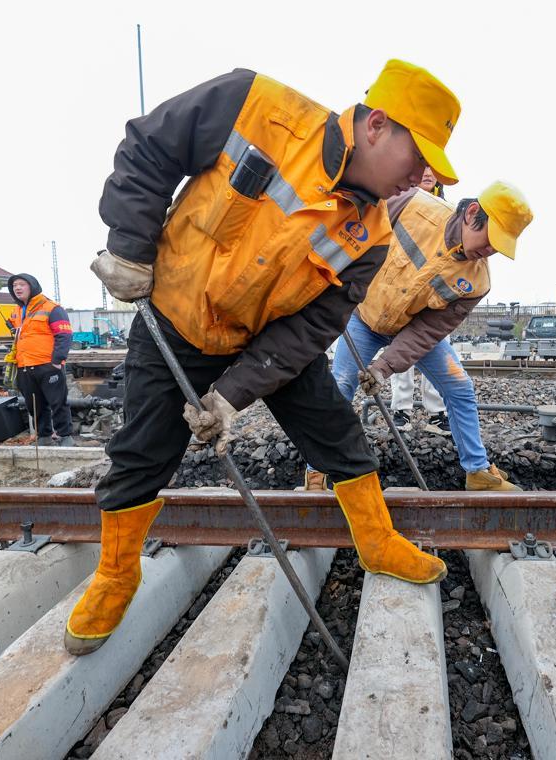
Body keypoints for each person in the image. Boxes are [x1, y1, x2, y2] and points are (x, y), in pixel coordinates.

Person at [66, 60, 462, 655]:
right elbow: (150, 148)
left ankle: (377, 541)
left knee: (337, 433)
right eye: (419, 157)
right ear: (378, 126)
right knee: (143, 451)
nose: (422, 176)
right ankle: (118, 573)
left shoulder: (372, 234)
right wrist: (129, 246)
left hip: (267, 340)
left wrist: (233, 395)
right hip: (177, 315)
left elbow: (313, 327)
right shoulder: (253, 104)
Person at [305, 180, 533, 493]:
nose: (490, 250)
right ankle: (315, 473)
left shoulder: (477, 282)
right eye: (490, 239)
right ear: (472, 213)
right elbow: (359, 235)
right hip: (364, 315)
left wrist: (383, 367)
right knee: (340, 386)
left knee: (460, 388)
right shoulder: (413, 205)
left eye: (499, 247)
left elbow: (428, 331)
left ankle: (477, 472)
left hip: (410, 328)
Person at [389, 167, 448, 437]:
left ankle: (436, 413)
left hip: (432, 290)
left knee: (434, 348)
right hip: (402, 287)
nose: (427, 173)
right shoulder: (402, 200)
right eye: (422, 167)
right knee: (401, 351)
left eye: (432, 169)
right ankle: (401, 409)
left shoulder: (447, 209)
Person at [8, 274, 74, 446]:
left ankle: (65, 436)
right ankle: (43, 436)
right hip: (24, 366)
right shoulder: (17, 311)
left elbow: (64, 335)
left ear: (32, 286)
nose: (18, 288)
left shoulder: (52, 308)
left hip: (47, 365)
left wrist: (57, 360)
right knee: (34, 405)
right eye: (15, 285)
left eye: (22, 284)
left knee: (58, 402)